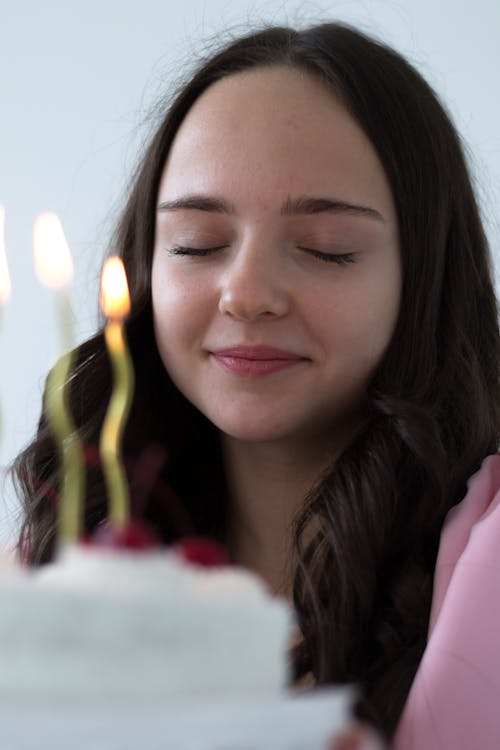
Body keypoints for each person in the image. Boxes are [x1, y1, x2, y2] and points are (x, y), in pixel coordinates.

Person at [13, 22, 500, 748]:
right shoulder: (65, 563)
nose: (246, 295)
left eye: (326, 250)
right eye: (196, 244)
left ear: (426, 277)